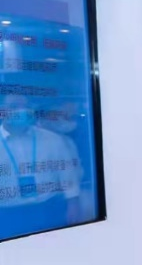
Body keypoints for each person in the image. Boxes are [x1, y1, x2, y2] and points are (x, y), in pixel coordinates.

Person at [0, 95, 82, 238]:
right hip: (7, 213)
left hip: (48, 208)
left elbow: (68, 174)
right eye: (14, 106)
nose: (22, 110)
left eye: (26, 106)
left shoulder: (53, 139)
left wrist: (73, 204)